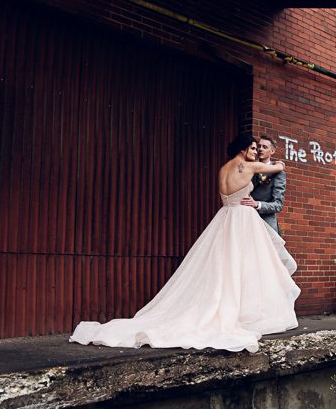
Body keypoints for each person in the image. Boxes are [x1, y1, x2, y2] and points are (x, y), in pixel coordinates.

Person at [70, 133, 300, 352]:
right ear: (243, 149)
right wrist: (279, 163)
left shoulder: (223, 169)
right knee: (244, 266)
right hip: (242, 218)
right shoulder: (248, 166)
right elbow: (276, 167)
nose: (256, 151)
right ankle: (242, 312)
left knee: (223, 266)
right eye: (252, 148)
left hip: (225, 217)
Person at [241, 135, 285, 234]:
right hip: (246, 220)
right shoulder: (248, 167)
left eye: (265, 147)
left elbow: (278, 205)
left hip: (266, 224)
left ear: (272, 151)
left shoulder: (278, 172)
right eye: (259, 146)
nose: (260, 149)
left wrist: (257, 204)